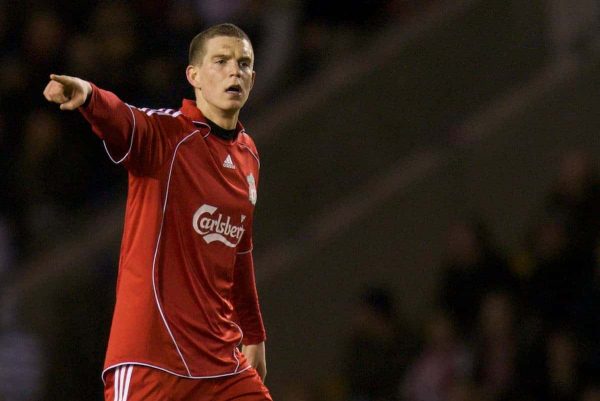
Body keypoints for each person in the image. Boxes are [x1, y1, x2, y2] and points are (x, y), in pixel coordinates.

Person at [43, 23, 272, 401]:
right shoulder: (167, 136)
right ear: (194, 76)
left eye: (244, 63)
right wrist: (87, 95)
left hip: (220, 362)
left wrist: (255, 335)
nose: (235, 71)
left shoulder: (248, 155)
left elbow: (240, 254)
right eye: (221, 61)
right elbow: (123, 119)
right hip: (152, 357)